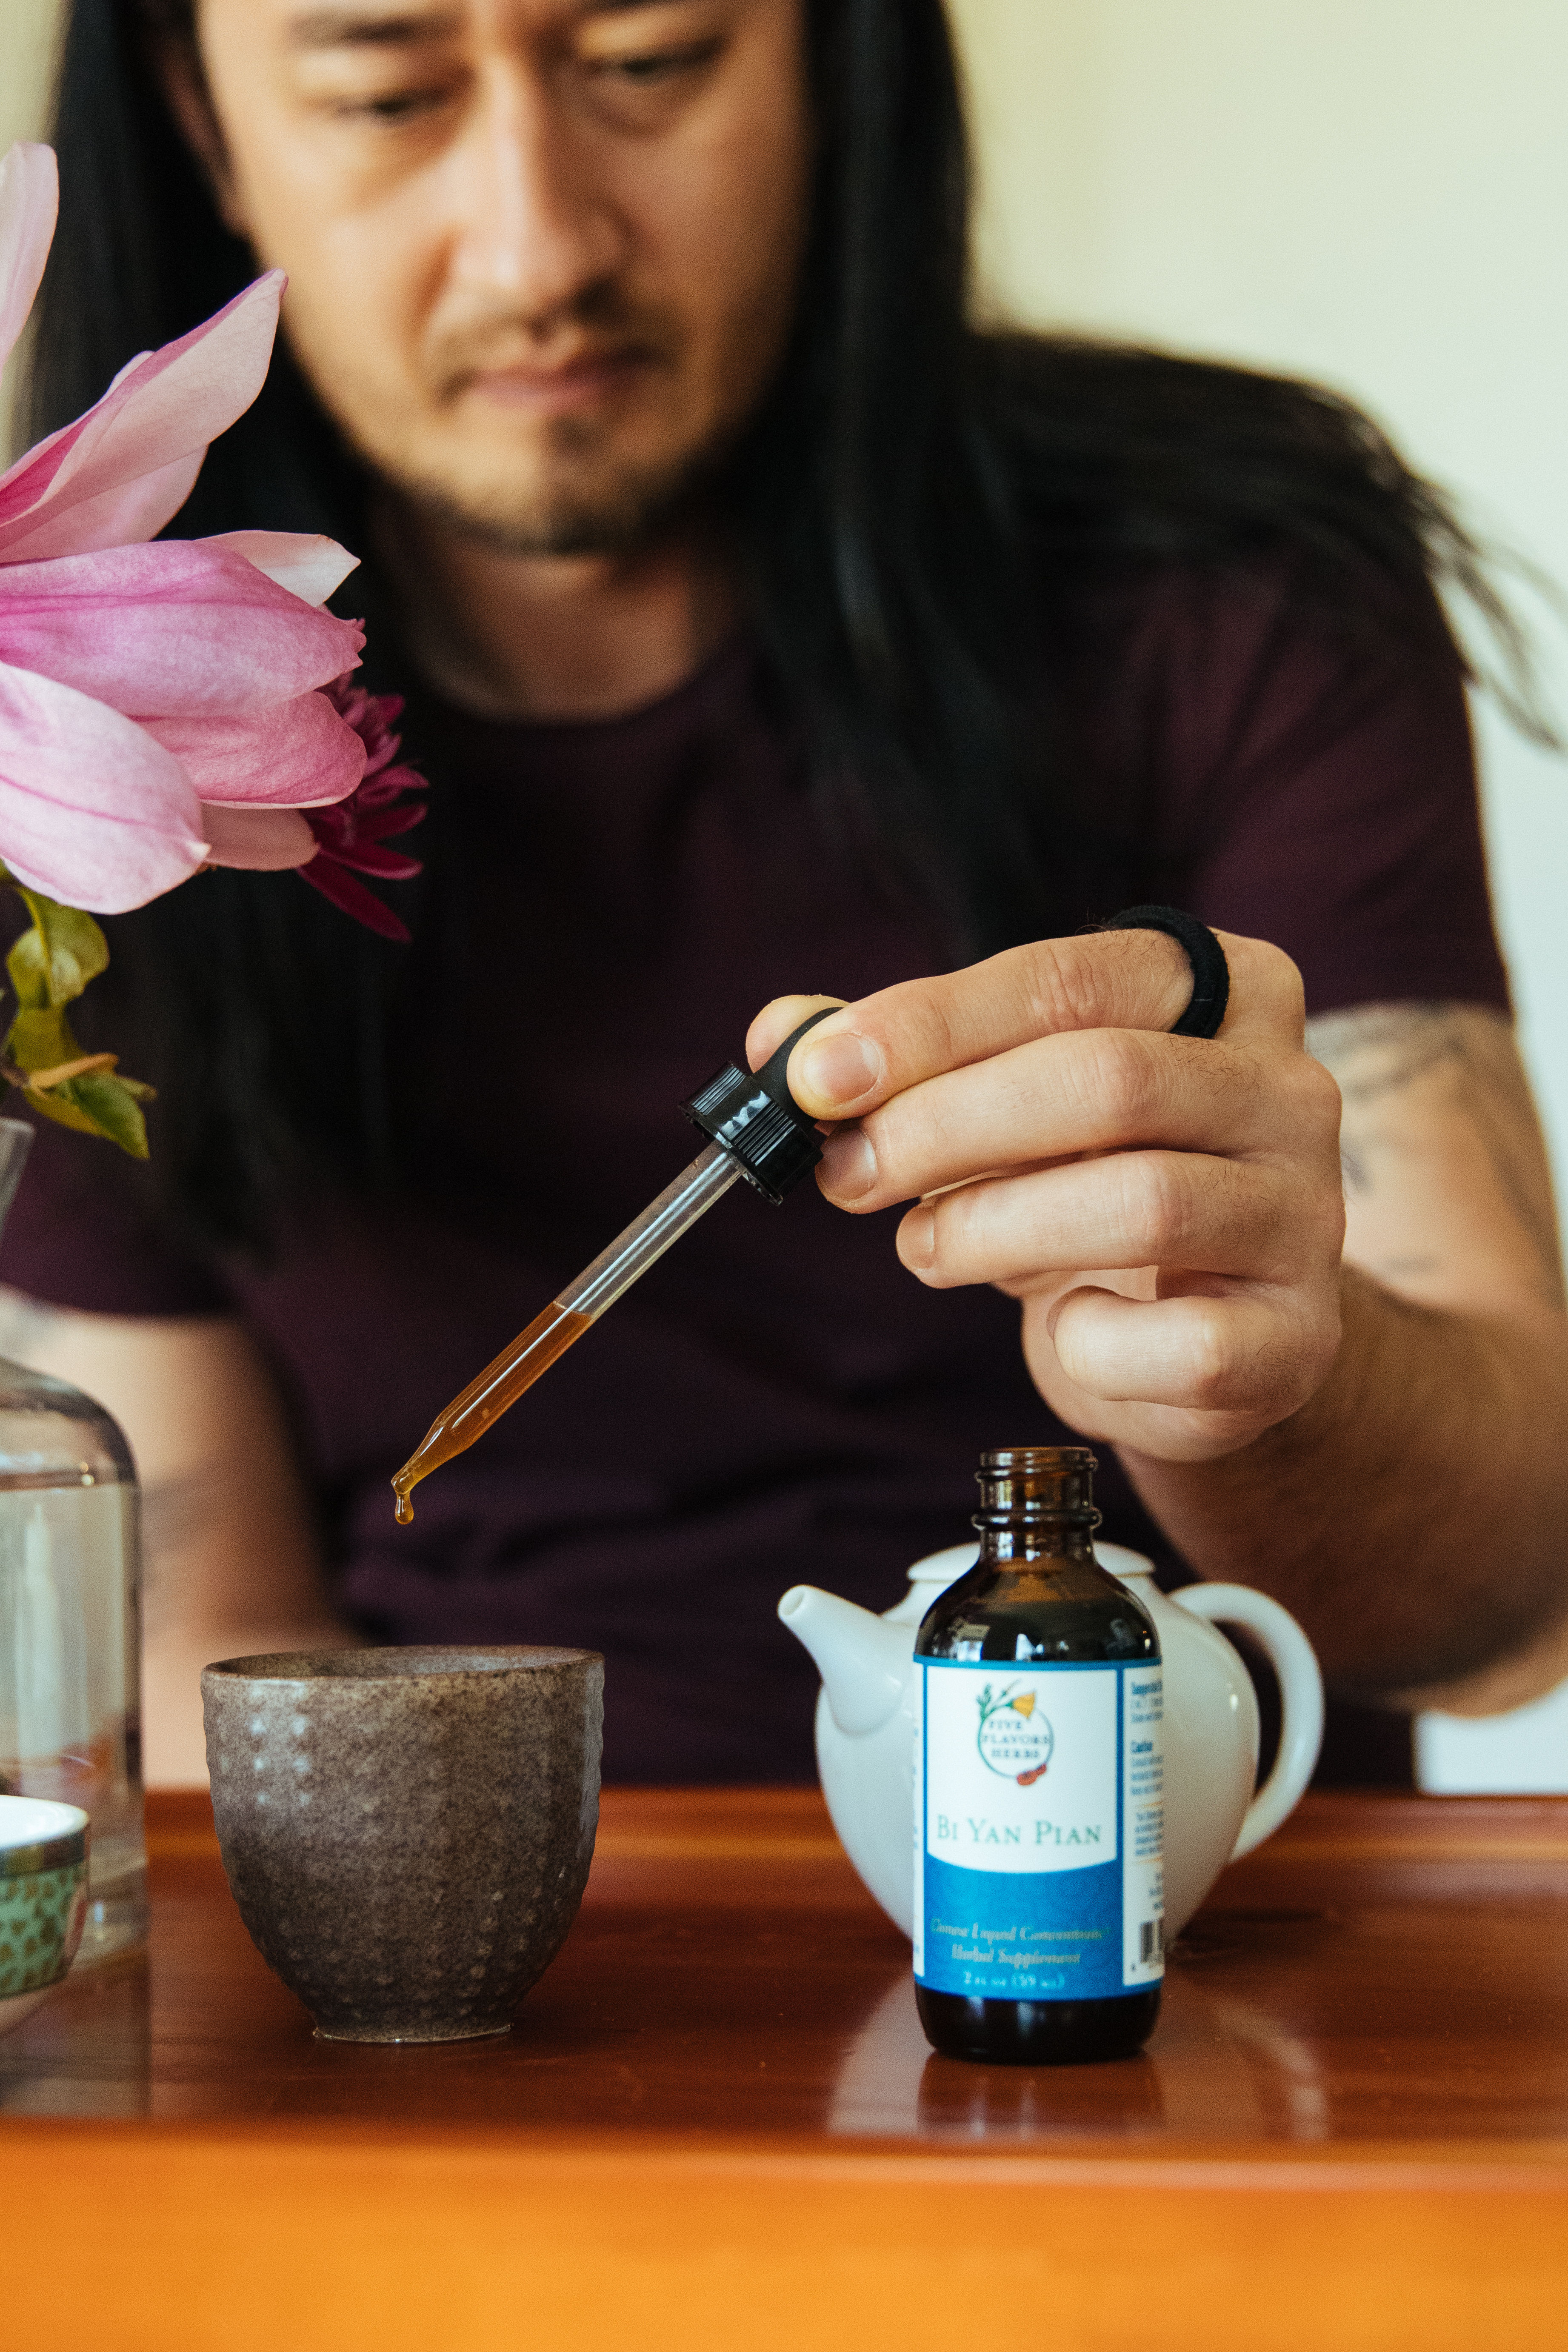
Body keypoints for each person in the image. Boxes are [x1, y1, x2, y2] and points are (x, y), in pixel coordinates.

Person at [4, 0, 1566, 1788]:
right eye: (385, 92)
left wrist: (1258, 1365)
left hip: (1165, 1942)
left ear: (838, 55)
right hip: (473, 1984)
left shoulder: (1231, 585)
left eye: (651, 60)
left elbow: (1509, 1598)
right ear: (203, 118)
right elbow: (195, 1672)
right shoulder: (73, 748)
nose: (538, 244)